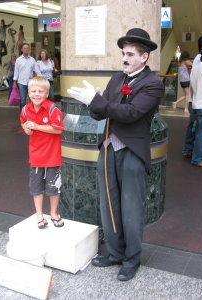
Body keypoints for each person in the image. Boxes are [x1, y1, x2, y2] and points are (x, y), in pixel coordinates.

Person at [67, 28, 164, 281]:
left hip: (132, 150)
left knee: (131, 208)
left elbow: (131, 113)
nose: (125, 58)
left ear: (144, 57)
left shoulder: (152, 84)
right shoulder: (116, 79)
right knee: (108, 203)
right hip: (109, 148)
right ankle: (114, 252)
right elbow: (101, 112)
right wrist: (92, 102)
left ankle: (131, 259)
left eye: (130, 53)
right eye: (123, 53)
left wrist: (100, 103)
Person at [20, 76, 64, 228]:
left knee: (53, 188)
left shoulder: (53, 109)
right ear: (28, 92)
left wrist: (37, 126)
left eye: (40, 91)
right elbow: (24, 124)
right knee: (36, 188)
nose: (36, 94)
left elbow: (58, 130)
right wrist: (26, 129)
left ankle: (53, 212)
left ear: (47, 93)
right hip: (36, 156)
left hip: (52, 156)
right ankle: (39, 214)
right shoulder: (26, 109)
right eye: (33, 91)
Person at [13, 43, 42, 110]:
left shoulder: (32, 60)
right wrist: (14, 82)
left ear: (29, 49)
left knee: (32, 99)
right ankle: (23, 114)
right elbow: (16, 72)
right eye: (25, 48)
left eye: (27, 48)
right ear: (22, 50)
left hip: (30, 82)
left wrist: (42, 79)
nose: (26, 49)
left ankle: (31, 113)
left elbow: (37, 71)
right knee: (23, 100)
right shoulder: (18, 60)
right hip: (21, 82)